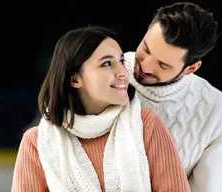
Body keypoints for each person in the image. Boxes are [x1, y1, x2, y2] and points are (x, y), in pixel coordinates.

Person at [12, 26, 190, 192]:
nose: (122, 72)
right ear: (75, 80)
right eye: (106, 64)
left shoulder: (146, 124)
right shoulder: (37, 141)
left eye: (121, 61)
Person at [124, 2, 222, 192]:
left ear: (191, 68)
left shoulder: (218, 110)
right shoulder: (105, 70)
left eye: (163, 65)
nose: (146, 66)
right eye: (146, 49)